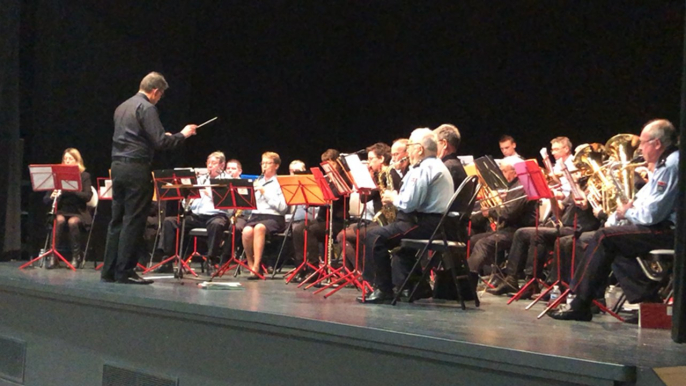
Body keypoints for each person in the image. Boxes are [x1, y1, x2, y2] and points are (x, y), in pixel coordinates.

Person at [550, 119, 679, 322]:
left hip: (670, 232)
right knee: (614, 243)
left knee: (604, 237)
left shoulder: (672, 164)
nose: (640, 148)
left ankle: (579, 303)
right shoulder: (665, 163)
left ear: (656, 143)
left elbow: (652, 215)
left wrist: (627, 213)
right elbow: (644, 202)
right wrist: (619, 215)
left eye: (643, 142)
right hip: (661, 228)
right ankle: (649, 302)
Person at [101, 72, 197, 285]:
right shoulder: (147, 107)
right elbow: (161, 143)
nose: (159, 99)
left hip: (117, 166)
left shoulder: (122, 106)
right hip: (136, 168)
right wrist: (183, 134)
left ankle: (109, 270)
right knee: (134, 219)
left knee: (117, 219)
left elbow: (139, 136)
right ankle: (125, 271)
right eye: (160, 95)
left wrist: (165, 137)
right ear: (155, 91)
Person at [357, 128, 454, 304]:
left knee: (374, 236)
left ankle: (383, 289)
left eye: (410, 145)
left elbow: (410, 204)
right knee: (399, 246)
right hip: (433, 223)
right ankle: (417, 286)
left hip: (422, 222)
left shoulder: (424, 168)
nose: (408, 150)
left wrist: (394, 197)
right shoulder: (434, 165)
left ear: (419, 149)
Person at [156, 151, 230, 273]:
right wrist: (187, 198)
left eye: (214, 163)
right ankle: (167, 259)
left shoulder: (226, 180)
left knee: (216, 225)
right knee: (170, 221)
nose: (210, 166)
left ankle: (210, 260)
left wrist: (209, 192)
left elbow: (228, 205)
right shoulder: (200, 179)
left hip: (216, 215)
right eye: (208, 163)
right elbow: (190, 205)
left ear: (222, 165)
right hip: (196, 216)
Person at [466, 157, 537, 276]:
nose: (502, 174)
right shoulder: (515, 185)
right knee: (474, 240)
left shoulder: (522, 186)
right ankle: (493, 274)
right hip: (510, 228)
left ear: (514, 171)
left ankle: (468, 278)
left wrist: (490, 212)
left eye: (504, 171)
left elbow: (508, 213)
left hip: (518, 230)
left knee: (483, 243)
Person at [291, 149, 347, 282]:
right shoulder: (326, 179)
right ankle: (301, 267)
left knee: (310, 230)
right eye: (325, 165)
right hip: (322, 219)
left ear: (338, 163)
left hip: (337, 221)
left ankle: (314, 268)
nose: (328, 168)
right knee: (298, 229)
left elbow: (335, 196)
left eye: (331, 164)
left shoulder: (344, 179)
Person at [336, 144, 390, 273]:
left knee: (345, 235)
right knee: (346, 234)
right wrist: (367, 180)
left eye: (371, 159)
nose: (369, 163)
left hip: (387, 222)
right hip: (377, 220)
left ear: (381, 159)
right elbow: (363, 199)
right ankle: (357, 271)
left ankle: (362, 272)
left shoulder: (387, 174)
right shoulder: (377, 176)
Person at [43, 148, 93, 269]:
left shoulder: (84, 175)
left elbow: (88, 196)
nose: (67, 161)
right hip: (61, 210)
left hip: (79, 212)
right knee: (59, 220)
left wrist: (74, 190)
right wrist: (52, 196)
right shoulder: (58, 175)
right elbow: (45, 200)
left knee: (72, 222)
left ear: (77, 161)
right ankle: (53, 256)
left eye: (70, 159)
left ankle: (76, 257)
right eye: (65, 159)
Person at [242, 151, 288, 279]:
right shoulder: (257, 181)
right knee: (246, 231)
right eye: (263, 163)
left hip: (274, 217)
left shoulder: (280, 182)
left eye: (268, 163)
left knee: (259, 228)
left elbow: (283, 208)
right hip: (257, 215)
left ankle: (257, 266)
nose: (264, 166)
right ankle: (251, 265)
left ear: (276, 166)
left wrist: (264, 192)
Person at [434, 123, 468, 189]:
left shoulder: (446, 168)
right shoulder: (456, 164)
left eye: (434, 143)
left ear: (444, 144)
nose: (432, 147)